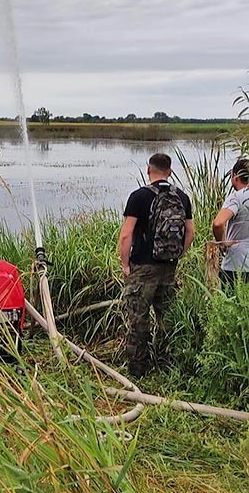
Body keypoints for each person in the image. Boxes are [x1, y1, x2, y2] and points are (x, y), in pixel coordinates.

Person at [118, 153, 194, 378]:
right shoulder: (182, 197)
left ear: (148, 170)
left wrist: (125, 264)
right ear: (169, 172)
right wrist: (178, 254)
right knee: (166, 317)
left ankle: (138, 370)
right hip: (168, 268)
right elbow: (190, 232)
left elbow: (126, 235)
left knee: (138, 319)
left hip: (142, 267)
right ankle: (165, 364)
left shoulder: (139, 197)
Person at [212, 158, 249, 287]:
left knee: (231, 303)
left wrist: (221, 242)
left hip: (236, 263)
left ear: (235, 176)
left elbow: (218, 223)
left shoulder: (236, 197)